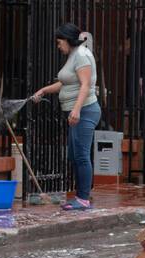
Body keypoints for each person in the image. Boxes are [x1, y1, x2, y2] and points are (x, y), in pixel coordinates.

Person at [31, 23, 100, 210]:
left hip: (85, 110)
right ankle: (80, 196)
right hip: (77, 111)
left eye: (59, 42)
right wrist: (44, 90)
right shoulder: (73, 56)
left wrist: (76, 110)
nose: (58, 45)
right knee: (75, 155)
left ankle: (83, 198)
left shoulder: (82, 56)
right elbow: (65, 83)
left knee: (82, 155)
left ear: (69, 41)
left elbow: (85, 85)